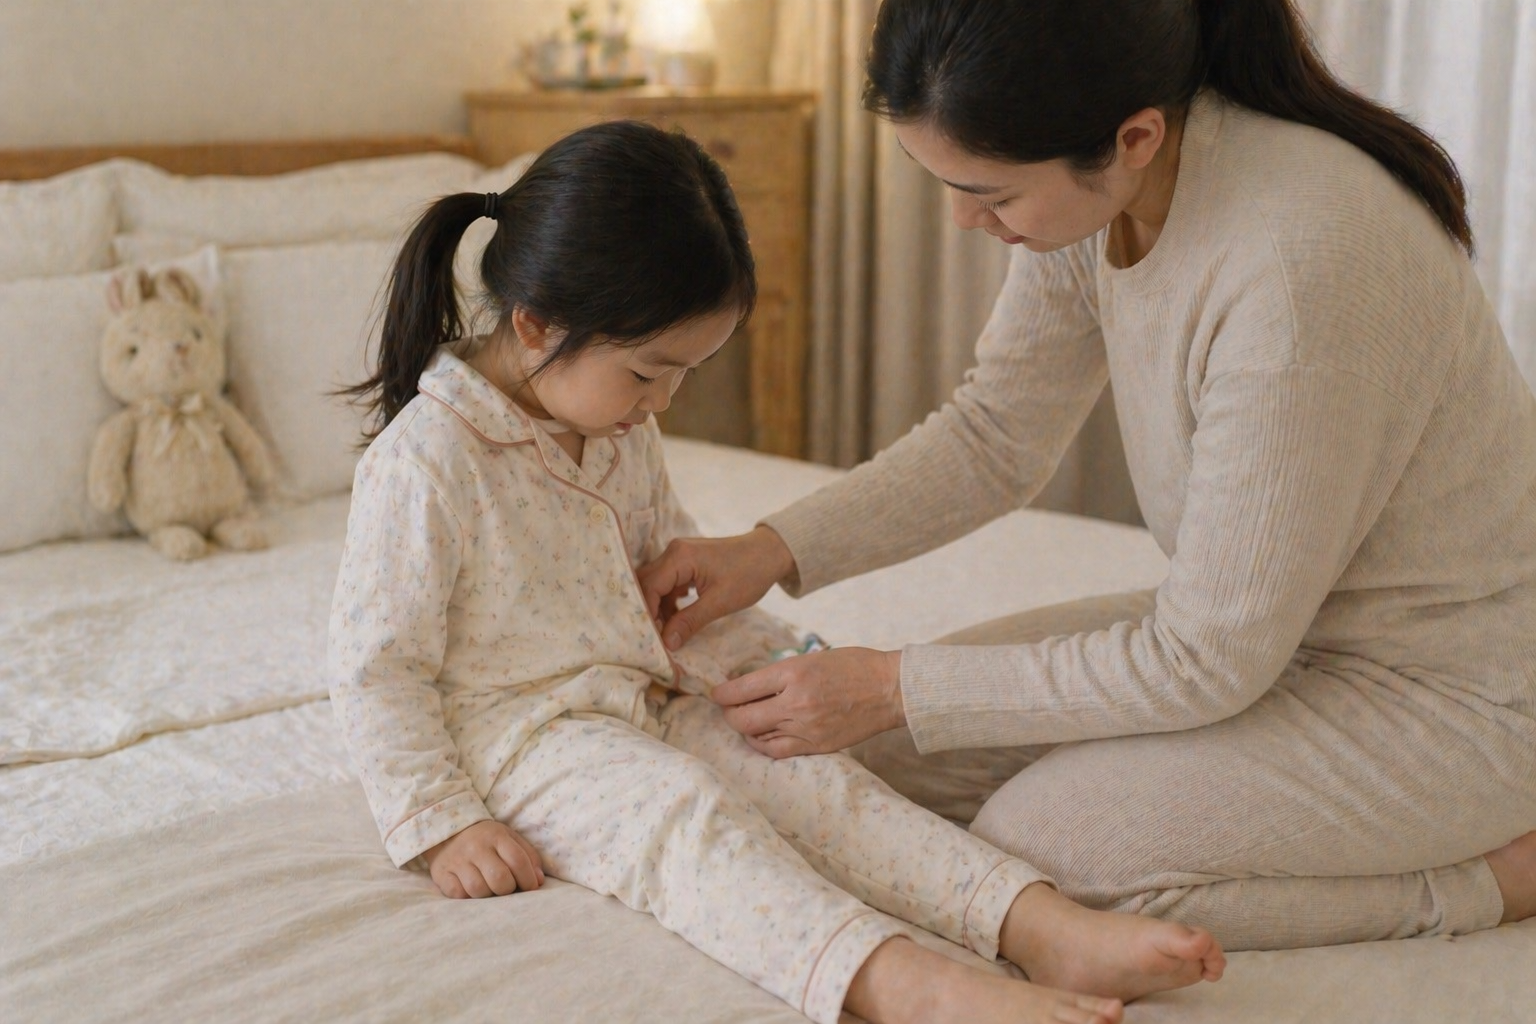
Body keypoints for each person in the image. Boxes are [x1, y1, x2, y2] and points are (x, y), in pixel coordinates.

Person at [638, 0, 1536, 952]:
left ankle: (1490, 880)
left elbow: (1203, 662)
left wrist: (897, 683)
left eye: (990, 193)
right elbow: (994, 435)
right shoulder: (1104, 193)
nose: (963, 219)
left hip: (1446, 696)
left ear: (1134, 137)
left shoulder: (1296, 267)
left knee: (1042, 857)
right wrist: (770, 549)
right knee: (867, 768)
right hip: (1264, 638)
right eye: (939, 179)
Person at [326, 120, 1224, 1024]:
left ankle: (1034, 922)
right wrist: (442, 823)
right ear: (535, 326)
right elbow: (377, 668)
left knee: (816, 779)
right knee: (679, 818)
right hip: (525, 733)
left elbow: (660, 559)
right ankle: (906, 985)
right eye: (649, 374)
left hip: (653, 685)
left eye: (681, 374)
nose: (662, 403)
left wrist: (748, 658)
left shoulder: (611, 420)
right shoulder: (426, 461)